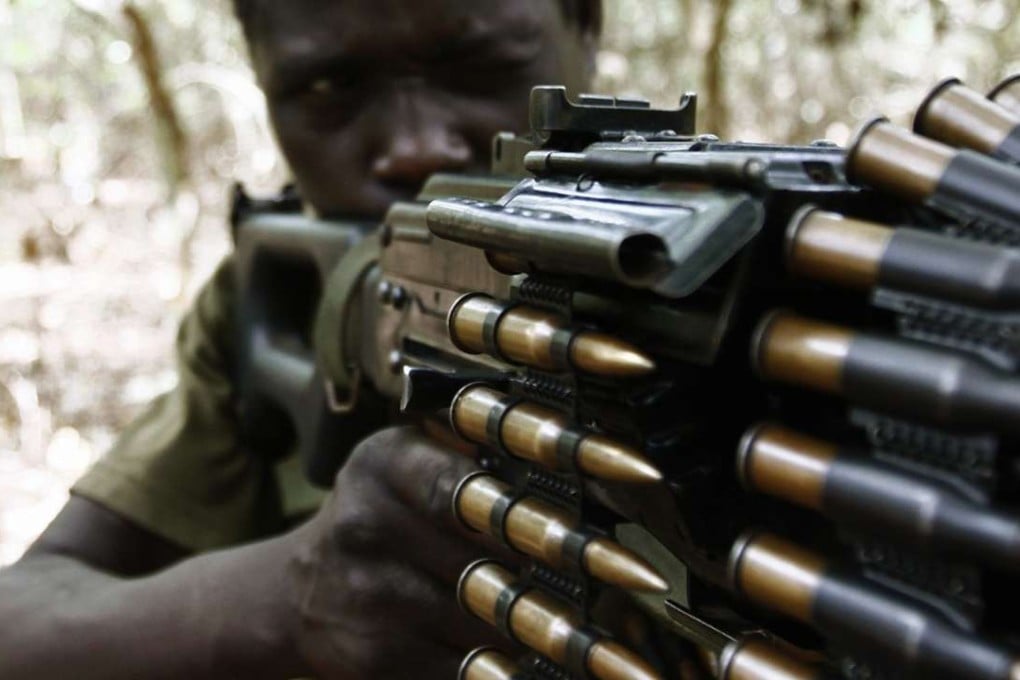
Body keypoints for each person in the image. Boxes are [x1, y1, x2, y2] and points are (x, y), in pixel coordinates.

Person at [0, 1, 602, 677]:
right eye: (327, 87)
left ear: (588, 29)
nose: (416, 146)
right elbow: (19, 621)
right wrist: (285, 595)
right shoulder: (284, 295)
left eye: (483, 66)